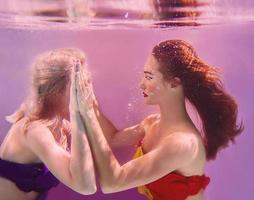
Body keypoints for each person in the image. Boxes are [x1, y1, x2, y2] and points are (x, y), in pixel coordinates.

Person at [75, 39, 243, 200]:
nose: (141, 84)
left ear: (174, 83)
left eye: (149, 77)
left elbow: (113, 182)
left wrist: (88, 112)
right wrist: (89, 97)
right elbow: (112, 138)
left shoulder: (183, 143)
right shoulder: (151, 123)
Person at [0, 48, 97, 200]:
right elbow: (86, 187)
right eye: (80, 86)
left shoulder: (59, 124)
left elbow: (104, 143)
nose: (87, 92)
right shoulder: (35, 131)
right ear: (57, 91)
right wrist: (78, 114)